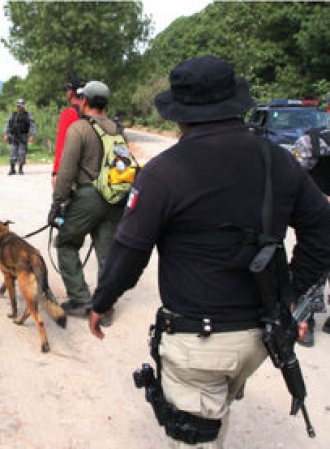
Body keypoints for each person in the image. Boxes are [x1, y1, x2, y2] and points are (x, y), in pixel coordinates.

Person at [87, 55, 330, 447]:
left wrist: (102, 301)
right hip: (260, 338)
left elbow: (129, 252)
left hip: (199, 345)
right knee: (213, 418)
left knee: (196, 436)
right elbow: (322, 227)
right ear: (235, 104)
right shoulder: (278, 162)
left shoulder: (163, 173)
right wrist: (295, 294)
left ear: (180, 114)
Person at [48, 81, 124, 327]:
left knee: (66, 242)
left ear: (85, 101)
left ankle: (80, 299)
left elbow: (66, 171)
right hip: (113, 197)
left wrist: (57, 202)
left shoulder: (78, 128)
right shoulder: (116, 128)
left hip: (86, 196)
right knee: (107, 252)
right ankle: (105, 307)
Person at [292, 119, 330, 344]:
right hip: (318, 213)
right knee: (314, 263)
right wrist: (320, 198)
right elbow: (294, 175)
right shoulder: (313, 140)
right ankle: (306, 317)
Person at [52, 76, 86, 189]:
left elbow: (61, 145)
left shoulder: (69, 114)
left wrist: (56, 173)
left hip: (73, 172)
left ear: (71, 92)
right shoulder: (94, 113)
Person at [2, 99, 37, 175]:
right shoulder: (13, 115)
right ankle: (12, 169)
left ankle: (20, 169)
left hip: (23, 136)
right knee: (12, 152)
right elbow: (7, 124)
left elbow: (32, 126)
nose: (19, 107)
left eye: (21, 106)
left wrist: (32, 135)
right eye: (18, 106)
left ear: (23, 106)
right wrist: (5, 134)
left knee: (22, 153)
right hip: (13, 136)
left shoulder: (28, 115)